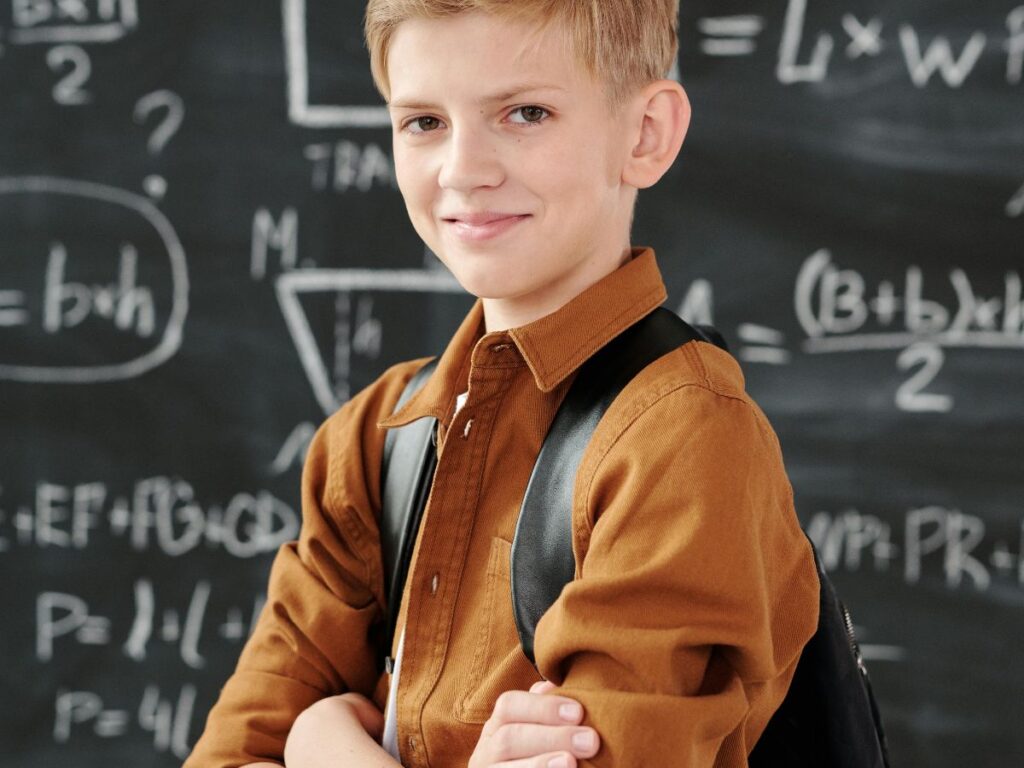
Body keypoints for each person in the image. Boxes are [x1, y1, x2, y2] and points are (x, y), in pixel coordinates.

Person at [185, 1, 820, 766]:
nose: (464, 170)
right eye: (423, 122)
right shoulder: (371, 439)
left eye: (525, 112)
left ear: (645, 134)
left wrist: (325, 745)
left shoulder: (682, 440)